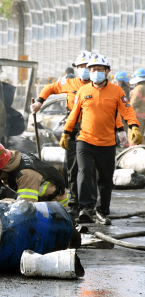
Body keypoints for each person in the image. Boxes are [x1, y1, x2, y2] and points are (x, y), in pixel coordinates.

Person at [61, 53, 142, 225]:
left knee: (105, 178)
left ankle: (102, 210)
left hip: (107, 143)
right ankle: (86, 208)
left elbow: (127, 111)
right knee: (84, 172)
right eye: (93, 70)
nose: (95, 72)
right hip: (84, 140)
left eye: (99, 69)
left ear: (107, 72)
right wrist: (66, 133)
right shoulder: (83, 91)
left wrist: (134, 126)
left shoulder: (117, 91)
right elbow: (74, 114)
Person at [30, 51, 102, 219]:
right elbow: (49, 88)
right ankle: (74, 204)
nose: (84, 69)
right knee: (73, 168)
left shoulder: (98, 85)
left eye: (87, 66)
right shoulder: (69, 83)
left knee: (89, 170)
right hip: (73, 129)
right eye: (80, 66)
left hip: (93, 131)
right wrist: (40, 102)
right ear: (76, 68)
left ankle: (89, 205)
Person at [0, 141, 69, 208]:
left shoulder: (26, 175)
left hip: (54, 205)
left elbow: (26, 207)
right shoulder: (7, 160)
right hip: (38, 199)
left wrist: (1, 202)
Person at [129, 68, 145, 145]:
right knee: (142, 140)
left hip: (137, 118)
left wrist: (127, 113)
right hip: (143, 117)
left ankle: (133, 154)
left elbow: (133, 103)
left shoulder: (139, 88)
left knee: (134, 138)